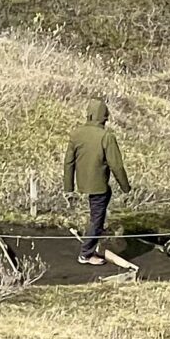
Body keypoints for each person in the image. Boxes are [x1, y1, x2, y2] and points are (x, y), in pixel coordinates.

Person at [61, 98, 130, 265]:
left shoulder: (76, 134)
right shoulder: (106, 136)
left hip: (82, 182)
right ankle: (86, 253)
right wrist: (126, 187)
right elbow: (117, 165)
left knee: (96, 215)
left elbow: (68, 162)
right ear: (104, 117)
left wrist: (68, 187)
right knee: (96, 218)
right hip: (98, 185)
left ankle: (96, 236)